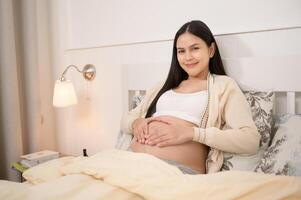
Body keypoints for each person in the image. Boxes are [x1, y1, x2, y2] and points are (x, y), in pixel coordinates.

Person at [121, 20, 260, 175]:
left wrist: (192, 133)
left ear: (211, 50)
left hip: (178, 173)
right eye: (181, 51)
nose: (187, 57)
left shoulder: (223, 86)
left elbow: (250, 140)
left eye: (194, 48)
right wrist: (136, 123)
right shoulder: (162, 87)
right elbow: (126, 119)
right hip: (131, 164)